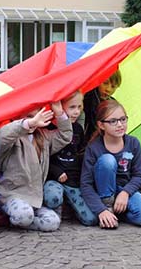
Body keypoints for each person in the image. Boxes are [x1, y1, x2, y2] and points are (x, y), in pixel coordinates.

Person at [0, 101, 73, 231]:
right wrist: (28, 124)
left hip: (34, 199)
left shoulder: (43, 137)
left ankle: (19, 221)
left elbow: (65, 136)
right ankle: (15, 218)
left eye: (36, 116)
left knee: (53, 222)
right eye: (28, 117)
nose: (34, 121)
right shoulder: (11, 140)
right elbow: (4, 134)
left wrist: (59, 113)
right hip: (12, 195)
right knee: (24, 215)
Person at [80, 100, 141, 229]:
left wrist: (125, 193)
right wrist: (101, 210)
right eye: (113, 121)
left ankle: (117, 214)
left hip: (124, 189)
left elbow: (139, 175)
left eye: (123, 119)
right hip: (103, 192)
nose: (120, 125)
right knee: (107, 160)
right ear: (101, 125)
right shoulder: (93, 148)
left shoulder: (133, 143)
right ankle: (108, 207)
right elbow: (86, 184)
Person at [44, 91, 97, 226]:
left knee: (90, 219)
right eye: (72, 107)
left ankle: (69, 205)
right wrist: (55, 171)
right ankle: (57, 205)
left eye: (79, 107)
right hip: (53, 178)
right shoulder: (48, 128)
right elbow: (43, 157)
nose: (77, 112)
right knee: (52, 198)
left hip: (72, 180)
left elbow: (78, 153)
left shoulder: (78, 128)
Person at [82, 70, 122, 144]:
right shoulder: (87, 96)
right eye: (105, 83)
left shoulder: (113, 105)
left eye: (113, 86)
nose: (108, 89)